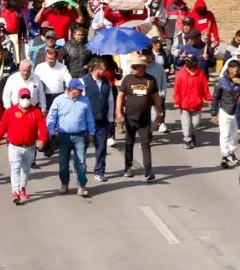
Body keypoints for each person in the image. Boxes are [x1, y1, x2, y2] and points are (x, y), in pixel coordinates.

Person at [0, 88, 49, 204]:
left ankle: (22, 188)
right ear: (19, 98)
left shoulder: (36, 112)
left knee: (25, 169)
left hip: (30, 146)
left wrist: (42, 140)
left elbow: (43, 127)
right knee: (15, 168)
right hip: (14, 146)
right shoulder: (10, 111)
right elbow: (2, 126)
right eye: (23, 97)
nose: (25, 100)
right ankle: (15, 191)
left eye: (27, 97)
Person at [116, 52, 163, 181]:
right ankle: (128, 167)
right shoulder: (127, 79)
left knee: (146, 144)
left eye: (136, 67)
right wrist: (118, 113)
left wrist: (160, 113)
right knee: (129, 143)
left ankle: (149, 170)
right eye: (132, 67)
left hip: (145, 119)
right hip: (130, 118)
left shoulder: (150, 80)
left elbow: (156, 98)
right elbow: (120, 96)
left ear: (143, 67)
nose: (133, 69)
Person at [46, 78, 96, 197]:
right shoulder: (59, 100)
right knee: (63, 163)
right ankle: (64, 184)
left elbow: (89, 118)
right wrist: (51, 132)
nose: (81, 92)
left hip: (80, 136)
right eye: (79, 90)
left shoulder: (85, 100)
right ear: (72, 90)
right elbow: (51, 118)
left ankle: (81, 186)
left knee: (81, 162)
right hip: (63, 136)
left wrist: (91, 133)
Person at [82, 58, 115, 182]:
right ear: (94, 68)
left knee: (101, 147)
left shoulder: (107, 83)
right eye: (102, 68)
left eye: (104, 68)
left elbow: (110, 101)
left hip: (102, 121)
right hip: (86, 122)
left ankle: (100, 171)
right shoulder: (83, 81)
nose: (104, 71)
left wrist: (111, 118)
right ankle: (80, 166)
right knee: (82, 146)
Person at [172, 50, 212, 149]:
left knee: (195, 123)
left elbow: (205, 87)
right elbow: (176, 89)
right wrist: (176, 102)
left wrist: (209, 98)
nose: (187, 63)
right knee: (186, 124)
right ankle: (187, 139)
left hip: (197, 104)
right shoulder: (181, 74)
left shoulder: (201, 73)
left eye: (189, 61)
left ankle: (192, 135)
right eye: (186, 61)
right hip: (184, 104)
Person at [210, 59, 240, 169]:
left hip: (238, 112)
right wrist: (214, 114)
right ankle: (224, 156)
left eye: (238, 68)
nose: (237, 71)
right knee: (224, 134)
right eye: (235, 69)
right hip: (225, 111)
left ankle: (231, 153)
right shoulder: (221, 82)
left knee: (235, 135)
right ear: (229, 69)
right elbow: (215, 98)